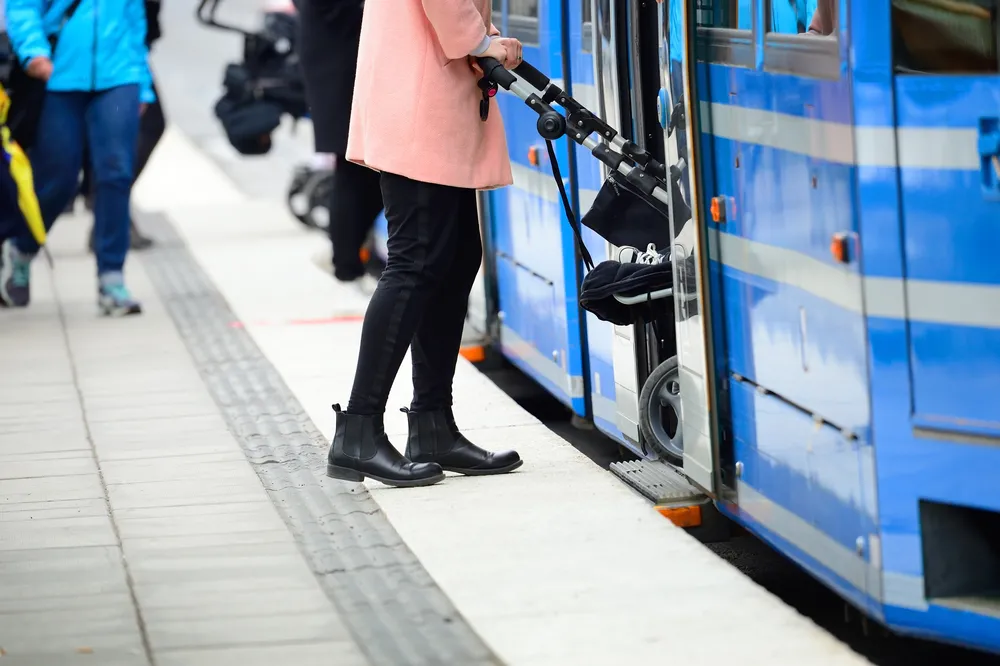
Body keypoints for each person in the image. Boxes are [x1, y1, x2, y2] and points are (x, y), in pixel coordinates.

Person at [326, 0, 524, 487]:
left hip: (436, 93)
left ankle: (433, 423)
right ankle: (358, 431)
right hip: (417, 100)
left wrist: (487, 39)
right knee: (416, 262)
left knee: (456, 256)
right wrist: (481, 42)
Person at [0, 0, 153, 314]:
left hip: (119, 77)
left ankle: (112, 278)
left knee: (116, 172)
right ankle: (23, 249)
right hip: (56, 77)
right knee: (58, 179)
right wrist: (34, 52)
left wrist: (142, 84)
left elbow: (135, 21)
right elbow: (22, 7)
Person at [296, 0, 381, 289]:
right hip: (341, 63)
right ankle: (345, 261)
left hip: (335, 56)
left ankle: (347, 257)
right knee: (355, 168)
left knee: (358, 168)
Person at [80, 0, 162, 251]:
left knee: (139, 127)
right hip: (102, 44)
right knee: (146, 126)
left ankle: (110, 210)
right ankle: (106, 205)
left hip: (118, 40)